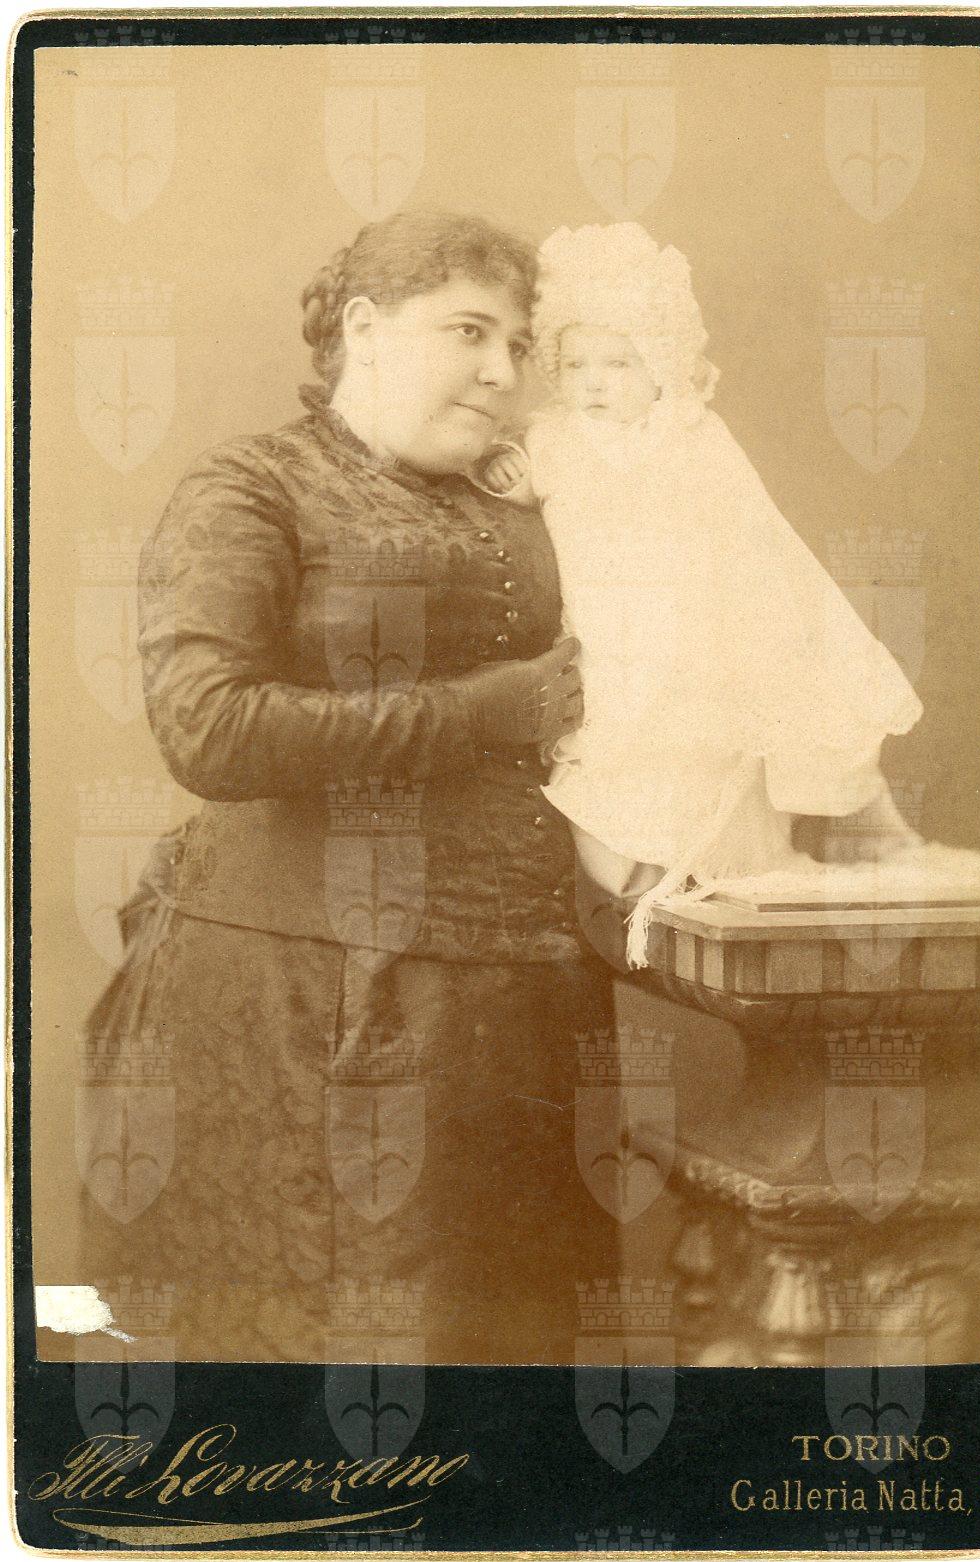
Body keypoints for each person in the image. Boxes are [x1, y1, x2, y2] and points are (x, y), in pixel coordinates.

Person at [77, 210, 622, 1366]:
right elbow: (209, 729)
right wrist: (480, 711)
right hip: (303, 998)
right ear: (365, 329)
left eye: (518, 343)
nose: (503, 369)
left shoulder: (528, 496)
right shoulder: (252, 485)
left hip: (527, 1009)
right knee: (342, 1362)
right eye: (469, 330)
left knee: (514, 1368)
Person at [477, 223, 925, 966]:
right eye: (576, 363)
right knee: (613, 760)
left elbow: (749, 534)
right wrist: (512, 484)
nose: (593, 382)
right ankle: (641, 883)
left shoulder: (690, 434)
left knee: (704, 744)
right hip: (602, 634)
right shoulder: (553, 437)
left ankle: (709, 873)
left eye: (617, 363)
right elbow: (520, 492)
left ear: (661, 368)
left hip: (687, 626)